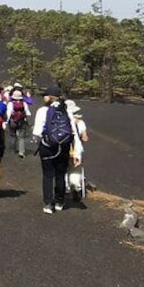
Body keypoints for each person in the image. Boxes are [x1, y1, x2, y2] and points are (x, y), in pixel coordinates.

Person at [31, 85, 81, 214]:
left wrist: (38, 141)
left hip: (47, 147)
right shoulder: (66, 111)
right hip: (64, 146)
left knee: (48, 174)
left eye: (45, 96)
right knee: (60, 174)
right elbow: (73, 132)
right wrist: (75, 151)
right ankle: (60, 201)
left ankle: (49, 203)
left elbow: (37, 132)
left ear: (49, 97)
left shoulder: (43, 110)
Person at [64, 100, 89, 200]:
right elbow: (85, 138)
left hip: (63, 149)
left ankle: (66, 188)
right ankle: (76, 186)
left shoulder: (61, 121)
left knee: (63, 169)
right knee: (75, 169)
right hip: (76, 150)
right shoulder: (80, 123)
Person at [6, 88, 32, 158]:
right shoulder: (24, 103)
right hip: (22, 121)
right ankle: (21, 152)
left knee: (12, 136)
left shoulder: (10, 104)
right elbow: (28, 113)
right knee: (21, 138)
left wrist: (6, 121)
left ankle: (12, 150)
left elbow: (8, 113)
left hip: (13, 121)